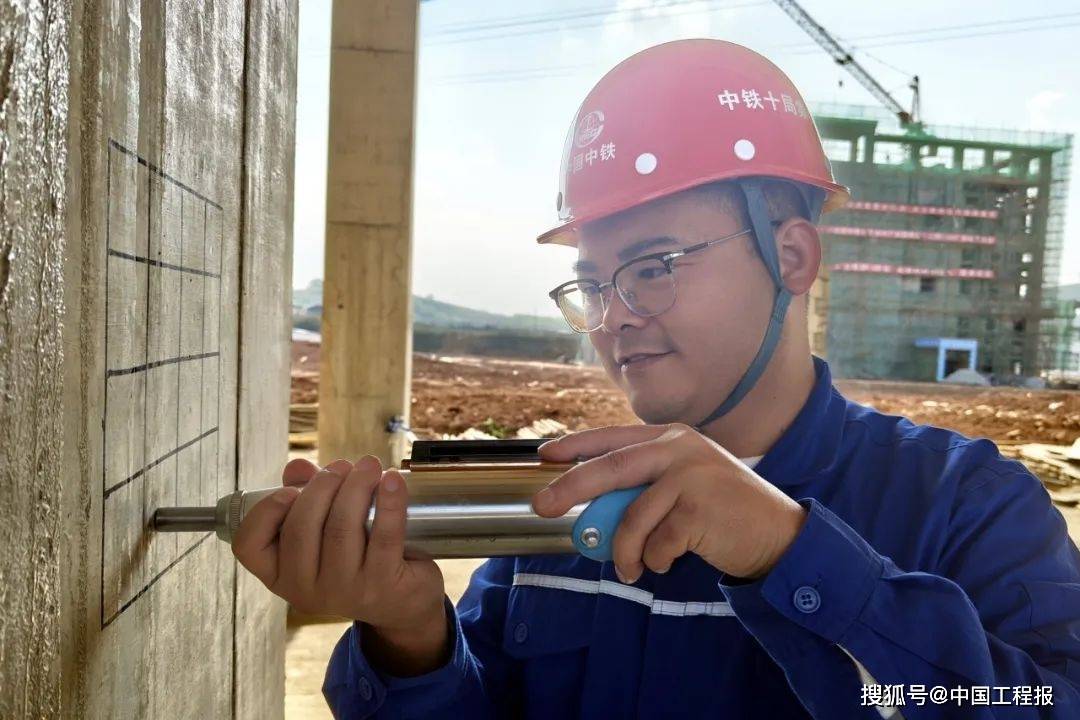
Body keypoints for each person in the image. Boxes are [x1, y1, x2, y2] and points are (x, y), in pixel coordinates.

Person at [233, 40, 1080, 718]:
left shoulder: (965, 506)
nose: (615, 317)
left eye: (654, 265)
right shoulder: (560, 513)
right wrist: (411, 636)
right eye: (595, 284)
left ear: (791, 255)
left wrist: (788, 552)